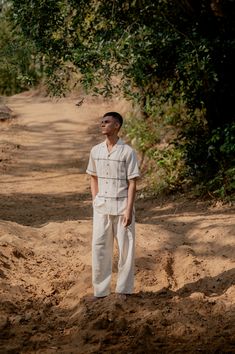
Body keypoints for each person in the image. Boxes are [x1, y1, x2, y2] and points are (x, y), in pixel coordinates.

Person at [86, 112, 140, 300]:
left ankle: (124, 290)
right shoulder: (95, 151)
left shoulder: (128, 152)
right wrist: (95, 199)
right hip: (101, 207)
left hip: (122, 206)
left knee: (126, 248)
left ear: (116, 126)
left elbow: (132, 182)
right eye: (101, 122)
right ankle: (100, 291)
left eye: (107, 122)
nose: (102, 125)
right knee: (100, 247)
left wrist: (129, 209)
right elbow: (93, 177)